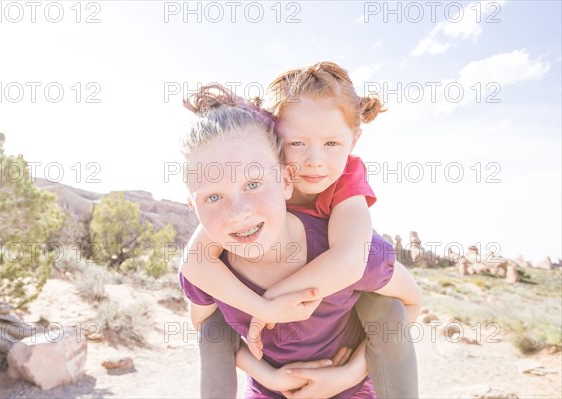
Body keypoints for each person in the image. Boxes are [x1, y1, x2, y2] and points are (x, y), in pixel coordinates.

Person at [178, 84, 422, 398]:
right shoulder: (213, 271)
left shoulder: (343, 251)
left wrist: (348, 375)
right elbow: (206, 328)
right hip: (269, 389)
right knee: (214, 326)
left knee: (384, 307)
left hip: (349, 389)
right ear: (193, 207)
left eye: (253, 183)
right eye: (213, 197)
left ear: (286, 181)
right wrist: (270, 376)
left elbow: (410, 303)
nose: (238, 213)